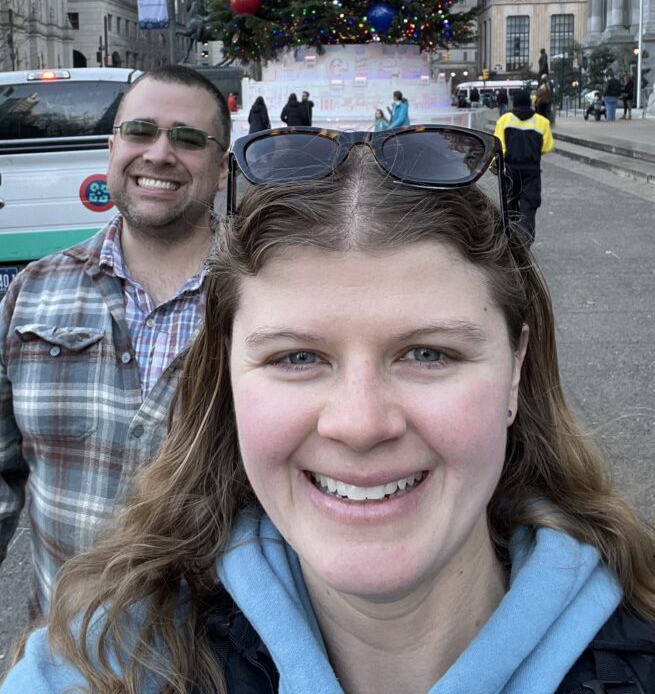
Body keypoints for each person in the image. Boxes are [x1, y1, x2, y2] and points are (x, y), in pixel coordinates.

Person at [4, 125, 655, 693]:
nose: (359, 423)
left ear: (514, 370)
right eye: (296, 358)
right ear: (227, 375)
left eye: (426, 354)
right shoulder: (98, 664)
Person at [0, 64, 231, 617]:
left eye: (189, 138)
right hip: (65, 656)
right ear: (112, 148)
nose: (159, 153)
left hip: (224, 664)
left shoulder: (268, 298)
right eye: (140, 131)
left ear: (221, 168)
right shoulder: (35, 290)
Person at [494, 89, 554, 244]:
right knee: (529, 206)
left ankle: (510, 238)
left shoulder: (504, 120)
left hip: (510, 169)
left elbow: (499, 145)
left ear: (514, 102)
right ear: (529, 102)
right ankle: (525, 239)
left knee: (509, 203)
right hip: (532, 170)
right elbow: (547, 147)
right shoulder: (542, 122)